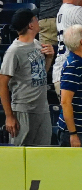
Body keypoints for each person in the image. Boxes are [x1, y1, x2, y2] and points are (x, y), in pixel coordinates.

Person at [0, 9, 53, 146]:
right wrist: (9, 116)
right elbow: (2, 84)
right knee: (21, 154)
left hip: (42, 109)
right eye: (35, 19)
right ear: (30, 25)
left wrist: (49, 58)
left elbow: (41, 74)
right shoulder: (14, 51)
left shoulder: (37, 44)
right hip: (23, 110)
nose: (38, 21)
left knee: (43, 154)